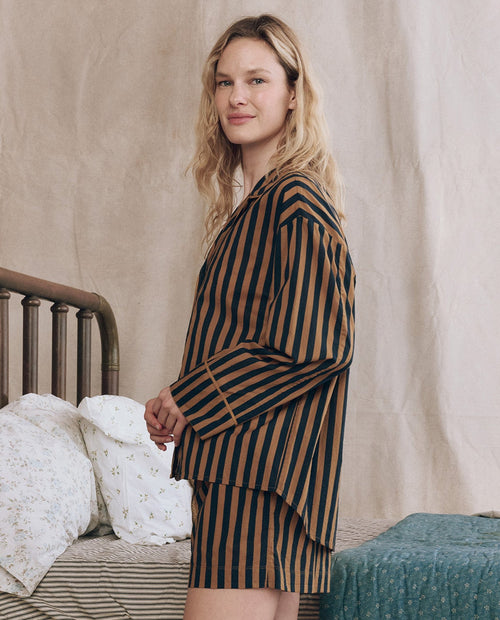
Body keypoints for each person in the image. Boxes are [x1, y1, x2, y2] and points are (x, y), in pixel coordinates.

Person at [144, 14, 355, 620]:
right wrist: (182, 397)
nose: (236, 96)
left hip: (256, 479)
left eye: (257, 80)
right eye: (225, 81)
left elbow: (316, 345)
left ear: (292, 94)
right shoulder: (261, 204)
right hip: (249, 472)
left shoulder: (295, 199)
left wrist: (191, 397)